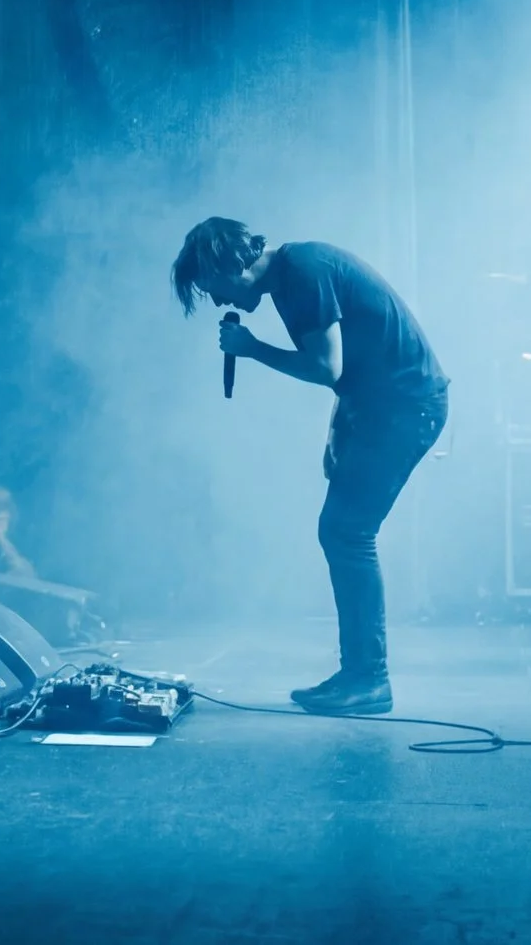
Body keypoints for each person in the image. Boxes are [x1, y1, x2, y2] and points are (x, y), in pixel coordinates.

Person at [174, 216, 449, 715]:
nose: (215, 300)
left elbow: (326, 367)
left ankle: (369, 679)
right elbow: (357, 361)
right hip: (383, 409)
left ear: (224, 265)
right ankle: (359, 675)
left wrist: (252, 349)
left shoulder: (302, 271)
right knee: (343, 532)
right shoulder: (295, 273)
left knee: (347, 533)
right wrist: (339, 428)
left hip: (406, 407)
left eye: (210, 288)